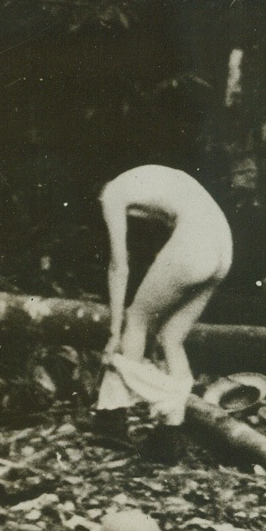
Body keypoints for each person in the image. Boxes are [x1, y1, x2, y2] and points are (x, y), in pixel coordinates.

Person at [98, 165, 232, 426]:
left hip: (198, 244)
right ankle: (170, 432)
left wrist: (114, 331)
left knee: (136, 319)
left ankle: (114, 417)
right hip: (224, 248)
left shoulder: (112, 192)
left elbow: (118, 266)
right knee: (171, 338)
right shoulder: (152, 180)